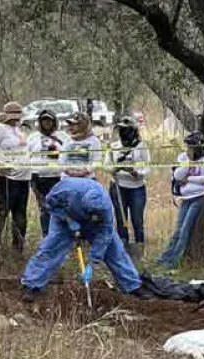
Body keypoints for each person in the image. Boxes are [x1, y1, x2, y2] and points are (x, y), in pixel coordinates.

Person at [20, 177, 153, 301]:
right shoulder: (67, 188)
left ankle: (132, 285)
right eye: (92, 213)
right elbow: (49, 204)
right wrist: (67, 219)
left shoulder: (105, 208)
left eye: (97, 214)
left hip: (95, 226)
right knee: (51, 248)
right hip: (66, 219)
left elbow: (104, 236)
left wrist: (92, 262)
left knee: (115, 250)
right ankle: (31, 284)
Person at [0, 101, 31, 255]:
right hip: (5, 178)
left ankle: (18, 250)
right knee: (1, 213)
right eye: (14, 115)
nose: (16, 118)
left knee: (20, 215)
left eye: (18, 115)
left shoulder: (18, 131)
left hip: (23, 178)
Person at [157, 131, 204, 269]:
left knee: (185, 229)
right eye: (188, 147)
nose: (189, 149)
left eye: (191, 147)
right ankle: (164, 259)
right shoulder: (183, 157)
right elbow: (178, 176)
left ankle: (173, 263)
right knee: (178, 230)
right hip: (185, 198)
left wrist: (189, 179)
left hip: (199, 197)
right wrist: (188, 163)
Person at [107, 115, 150, 260]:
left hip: (136, 188)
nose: (124, 132)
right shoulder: (114, 146)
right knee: (121, 219)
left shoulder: (141, 146)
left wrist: (136, 172)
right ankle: (123, 251)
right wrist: (115, 168)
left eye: (127, 129)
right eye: (122, 129)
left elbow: (147, 167)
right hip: (118, 187)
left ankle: (139, 251)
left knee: (137, 220)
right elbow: (107, 165)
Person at [27, 109, 70, 237]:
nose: (47, 123)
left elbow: (69, 154)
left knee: (60, 208)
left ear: (54, 122)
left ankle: (60, 235)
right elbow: (25, 156)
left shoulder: (63, 137)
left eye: (49, 120)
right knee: (45, 208)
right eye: (44, 120)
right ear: (39, 122)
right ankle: (47, 236)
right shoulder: (33, 137)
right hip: (38, 177)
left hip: (58, 177)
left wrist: (58, 154)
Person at [61, 112, 102, 179]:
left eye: (74, 124)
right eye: (70, 124)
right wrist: (68, 171)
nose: (71, 126)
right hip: (67, 179)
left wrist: (84, 171)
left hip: (87, 180)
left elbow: (97, 160)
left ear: (83, 125)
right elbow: (62, 159)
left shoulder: (94, 141)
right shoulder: (67, 140)